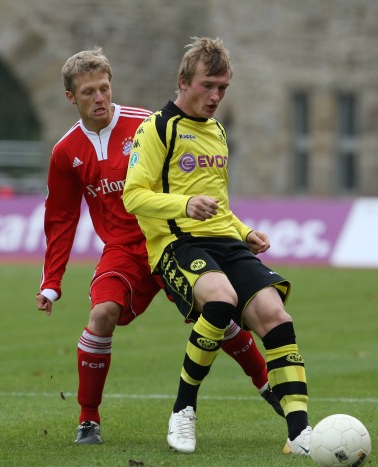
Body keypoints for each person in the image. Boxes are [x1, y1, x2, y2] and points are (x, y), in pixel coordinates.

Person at [36, 47, 284, 446]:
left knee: (219, 313)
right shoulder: (66, 152)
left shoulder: (147, 125)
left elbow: (200, 186)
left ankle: (266, 384)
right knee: (101, 315)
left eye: (104, 88)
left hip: (172, 240)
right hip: (123, 251)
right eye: (88, 92)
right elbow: (61, 218)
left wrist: (239, 231)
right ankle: (88, 419)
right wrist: (52, 281)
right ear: (70, 97)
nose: (100, 98)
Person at [122, 37, 312, 456]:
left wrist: (244, 232)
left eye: (222, 88)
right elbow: (133, 196)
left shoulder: (218, 131)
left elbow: (219, 205)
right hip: (177, 243)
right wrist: (185, 204)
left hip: (224, 241)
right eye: (207, 85)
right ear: (183, 81)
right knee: (221, 299)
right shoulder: (156, 128)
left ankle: (300, 434)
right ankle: (183, 409)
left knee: (276, 316)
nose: (215, 96)